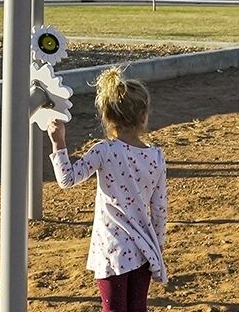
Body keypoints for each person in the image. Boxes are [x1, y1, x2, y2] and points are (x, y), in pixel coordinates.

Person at [46, 67, 168, 312]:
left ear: (108, 116)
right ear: (143, 116)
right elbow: (159, 209)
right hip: (144, 249)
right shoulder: (156, 156)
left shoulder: (104, 150)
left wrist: (58, 142)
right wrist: (158, 245)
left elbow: (67, 179)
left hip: (112, 249)